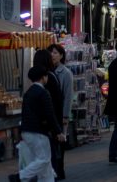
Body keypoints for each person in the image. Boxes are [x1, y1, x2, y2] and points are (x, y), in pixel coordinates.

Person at [19, 66, 65, 182]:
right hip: (38, 131)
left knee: (46, 166)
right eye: (46, 76)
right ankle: (21, 176)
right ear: (43, 78)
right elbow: (50, 114)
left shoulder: (28, 93)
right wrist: (59, 131)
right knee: (44, 159)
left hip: (26, 130)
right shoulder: (43, 93)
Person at [38, 47, 70, 180]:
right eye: (51, 52)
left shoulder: (64, 73)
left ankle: (58, 170)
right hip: (55, 116)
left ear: (62, 55)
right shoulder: (49, 73)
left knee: (58, 144)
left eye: (55, 53)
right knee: (55, 144)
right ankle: (57, 171)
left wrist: (65, 115)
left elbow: (67, 96)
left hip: (59, 115)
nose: (53, 55)